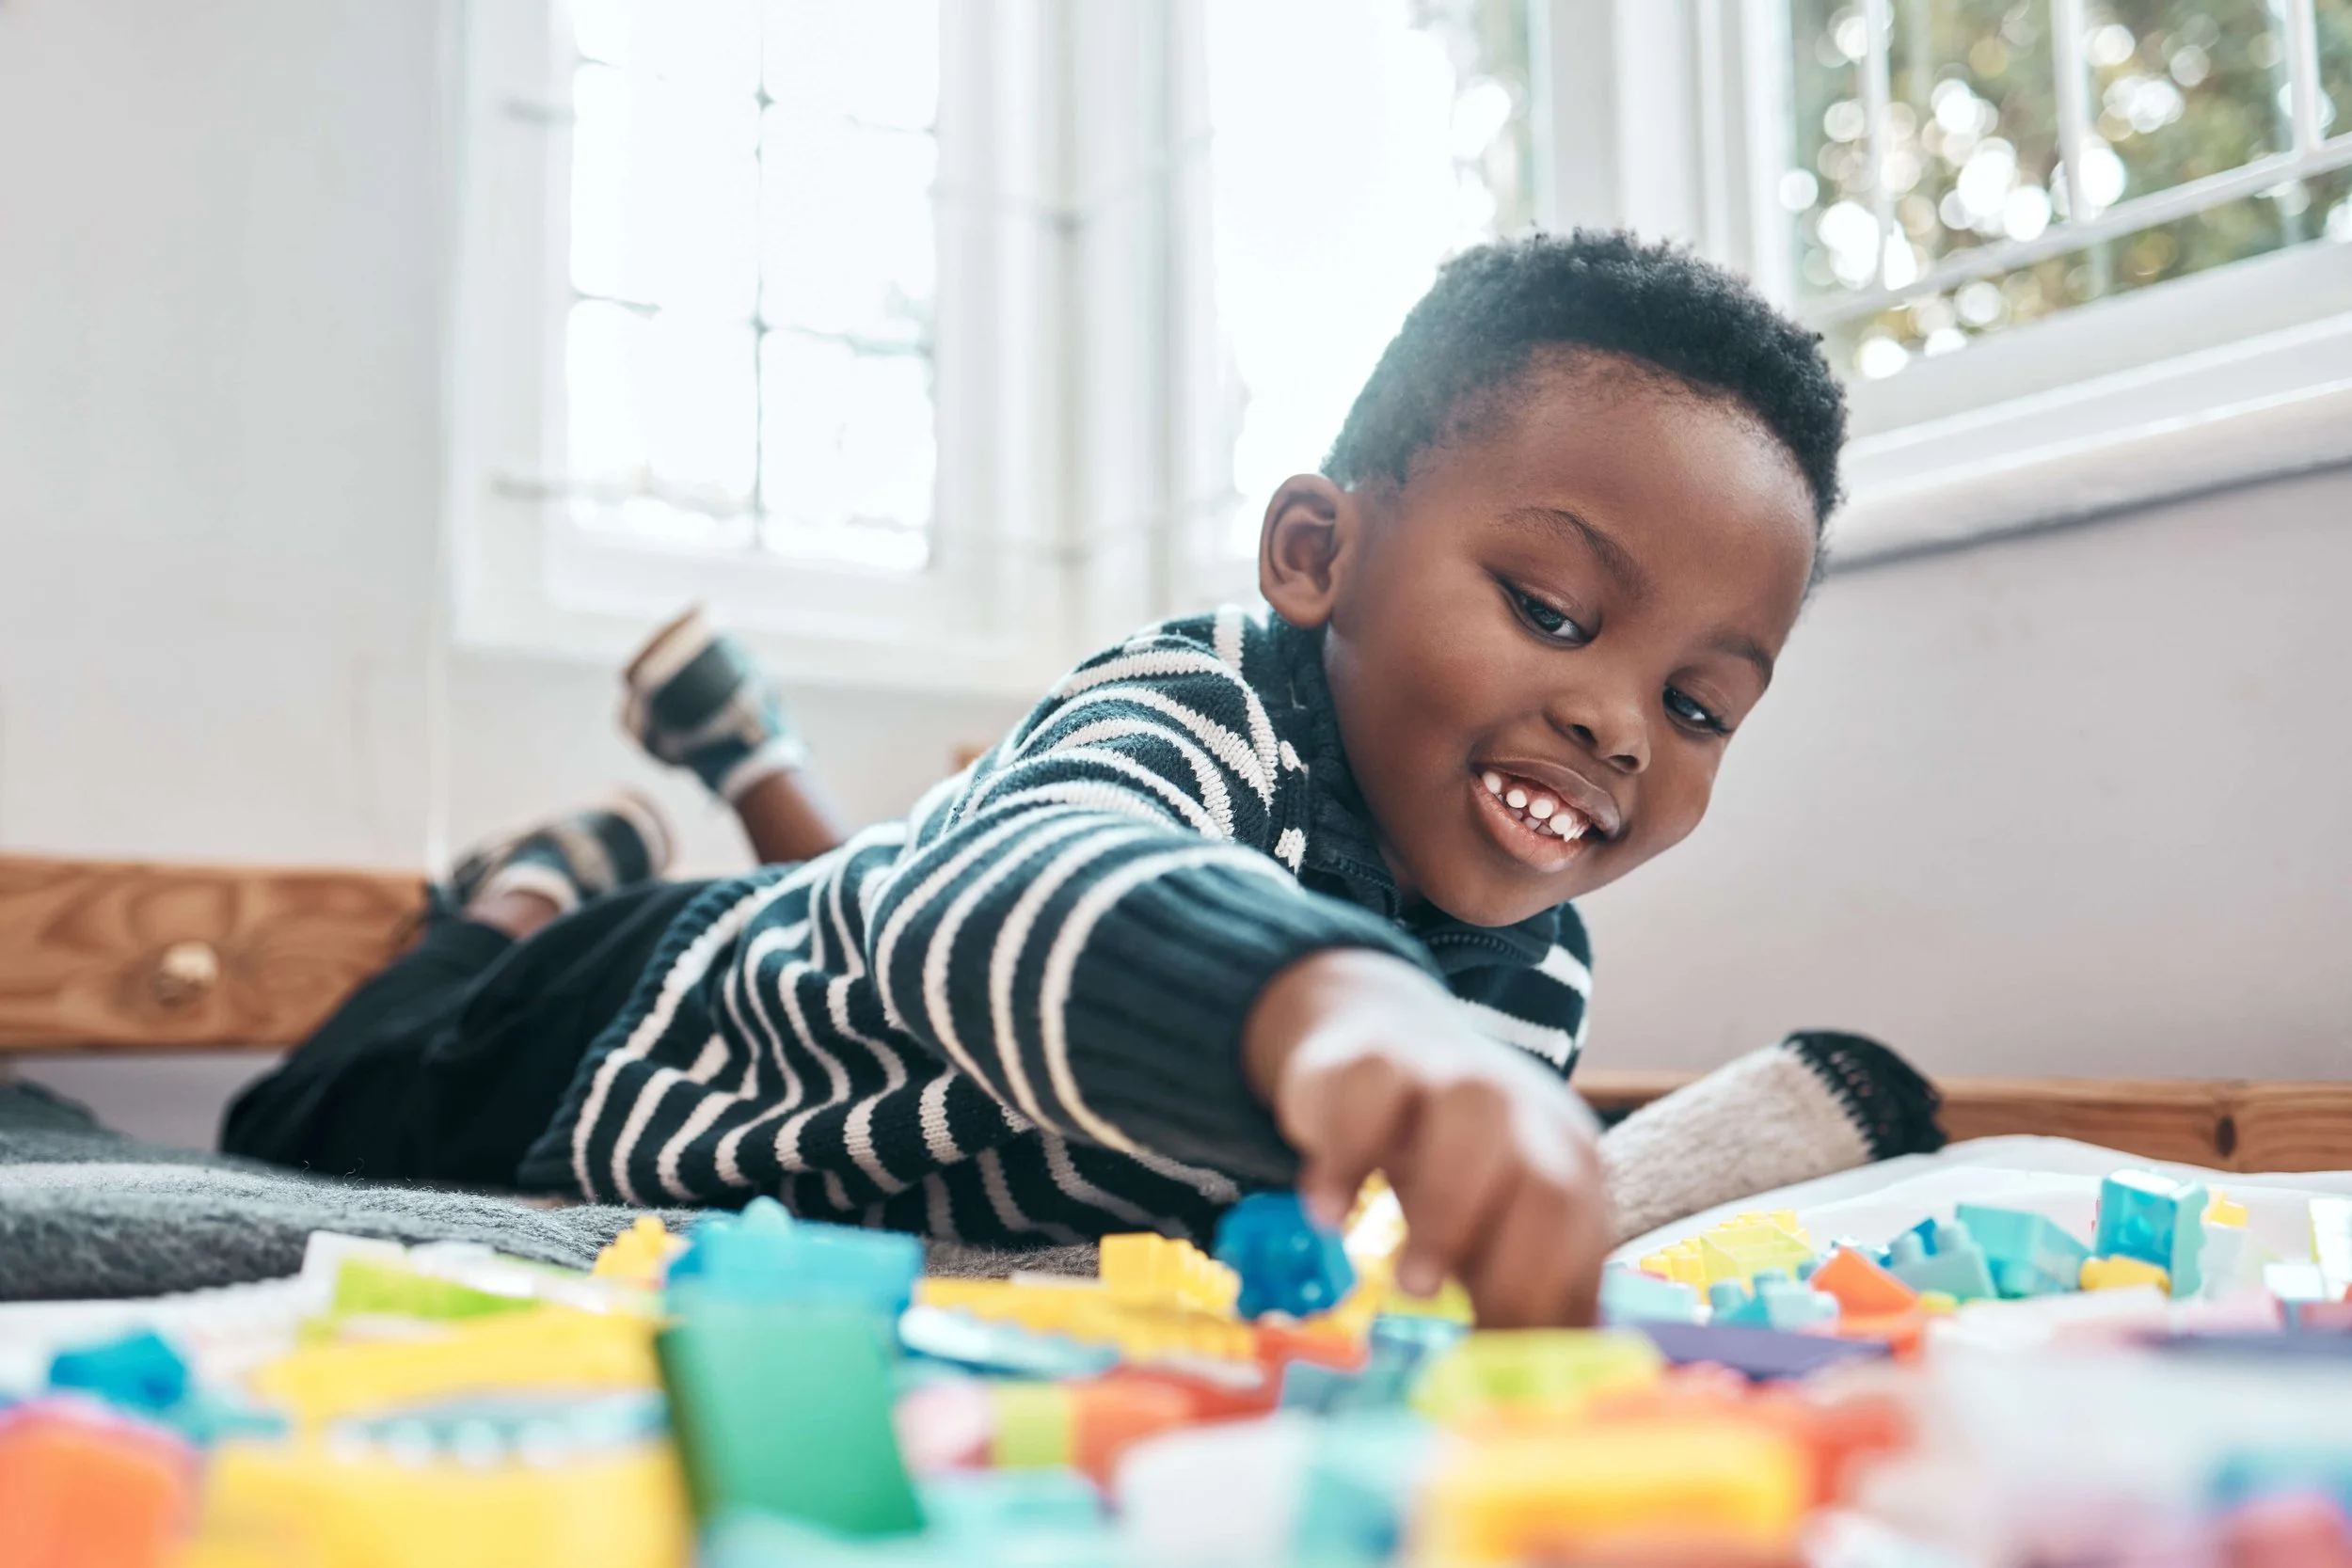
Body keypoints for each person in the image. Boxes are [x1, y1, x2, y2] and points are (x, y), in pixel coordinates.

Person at [226, 230, 1854, 1328]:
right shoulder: (1208, 710)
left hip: (908, 1143)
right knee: (292, 1118)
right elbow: (1023, 883)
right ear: (1316, 555)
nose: (1619, 724)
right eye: (1553, 612)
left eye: (1702, 705)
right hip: (619, 1040)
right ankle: (526, 887)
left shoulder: (1539, 974)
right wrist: (1334, 1008)